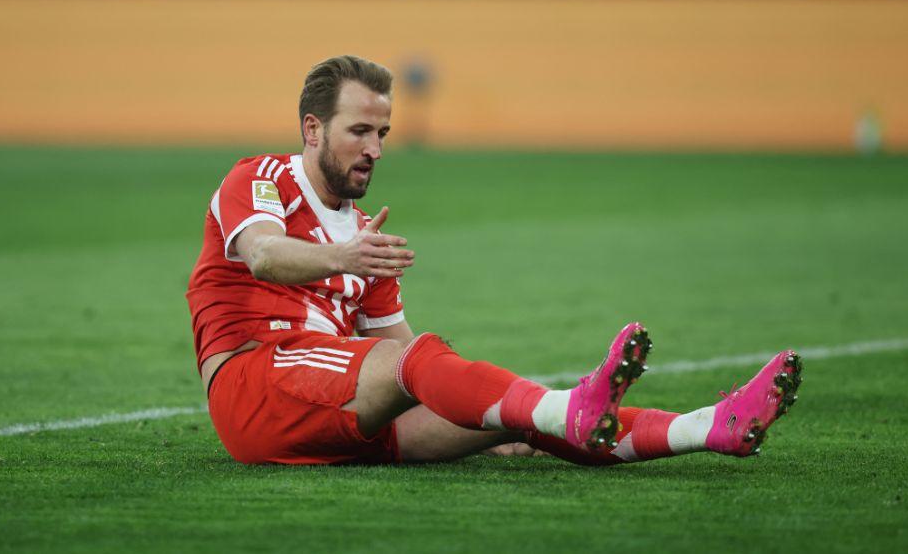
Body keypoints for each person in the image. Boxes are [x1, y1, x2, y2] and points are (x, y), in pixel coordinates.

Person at [186, 55, 802, 466]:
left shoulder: (361, 238)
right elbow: (264, 256)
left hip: (334, 407)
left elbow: (409, 360)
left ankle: (706, 427)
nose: (375, 149)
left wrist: (479, 415)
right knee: (434, 366)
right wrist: (343, 256)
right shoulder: (260, 177)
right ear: (312, 129)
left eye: (383, 134)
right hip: (254, 383)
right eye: (359, 131)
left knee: (518, 419)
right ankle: (569, 407)